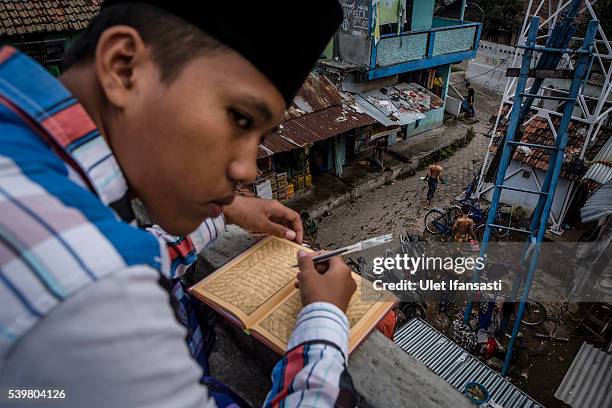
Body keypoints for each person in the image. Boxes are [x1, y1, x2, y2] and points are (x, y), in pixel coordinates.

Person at [0, 1, 359, 407]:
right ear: (123, 67)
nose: (247, 170)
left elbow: (109, 246)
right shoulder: (95, 293)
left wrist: (224, 212)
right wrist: (325, 318)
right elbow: (97, 271)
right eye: (240, 119)